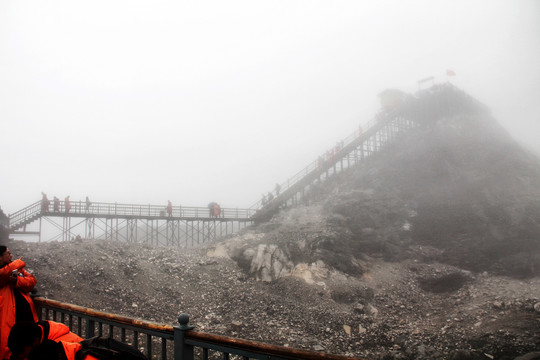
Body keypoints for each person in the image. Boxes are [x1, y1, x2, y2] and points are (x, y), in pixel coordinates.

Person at [0, 246, 38, 360]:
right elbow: (2, 274)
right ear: (0, 257)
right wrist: (17, 263)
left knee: (28, 348)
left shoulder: (16, 269)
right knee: (7, 348)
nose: (11, 255)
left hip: (25, 318)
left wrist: (17, 280)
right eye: (8, 253)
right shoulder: (12, 268)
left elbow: (31, 282)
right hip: (8, 320)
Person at [8, 321, 83, 360]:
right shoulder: (42, 330)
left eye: (22, 353)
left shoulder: (58, 351)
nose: (22, 357)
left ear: (35, 341)